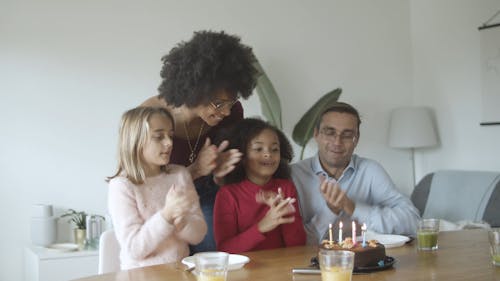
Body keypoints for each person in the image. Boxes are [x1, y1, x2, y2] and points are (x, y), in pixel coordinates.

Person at [141, 30, 258, 252]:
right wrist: (195, 170)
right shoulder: (148, 117)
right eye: (217, 103)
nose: (225, 112)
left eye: (231, 102)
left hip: (209, 191)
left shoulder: (232, 113)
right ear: (193, 90)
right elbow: (144, 188)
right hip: (162, 201)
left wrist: (221, 173)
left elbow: (226, 183)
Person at [291, 102, 420, 245]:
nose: (337, 142)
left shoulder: (371, 171)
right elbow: (295, 242)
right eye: (330, 132)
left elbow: (413, 222)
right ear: (316, 134)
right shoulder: (295, 175)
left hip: (367, 262)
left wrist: (353, 208)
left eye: (347, 135)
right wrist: (330, 211)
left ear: (356, 139)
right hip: (309, 262)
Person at [107, 106, 207, 270]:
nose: (169, 143)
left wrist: (182, 224)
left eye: (170, 136)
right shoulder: (122, 186)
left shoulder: (180, 175)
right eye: (159, 137)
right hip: (140, 275)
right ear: (135, 140)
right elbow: (134, 249)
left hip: (180, 273)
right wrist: (166, 216)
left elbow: (199, 235)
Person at [213, 118, 306, 253]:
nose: (268, 154)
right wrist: (262, 226)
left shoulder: (286, 188)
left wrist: (285, 214)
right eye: (258, 149)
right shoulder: (227, 194)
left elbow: (297, 246)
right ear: (242, 155)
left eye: (274, 149)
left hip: (280, 268)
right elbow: (224, 250)